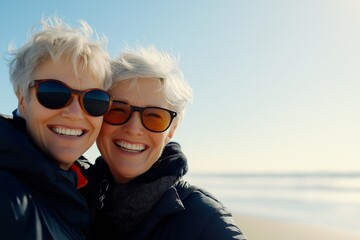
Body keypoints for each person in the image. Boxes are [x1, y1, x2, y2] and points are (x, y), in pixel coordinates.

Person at [82, 46, 246, 239]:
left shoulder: (204, 220)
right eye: (118, 110)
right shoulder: (71, 194)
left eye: (154, 116)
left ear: (171, 131)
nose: (134, 129)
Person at [0, 16, 112, 239]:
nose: (74, 113)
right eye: (54, 93)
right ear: (22, 100)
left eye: (94, 100)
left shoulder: (87, 187)